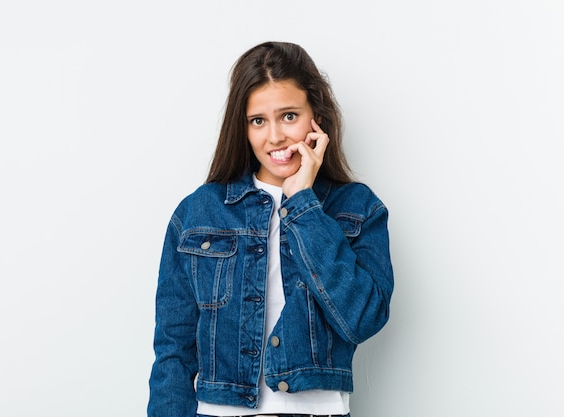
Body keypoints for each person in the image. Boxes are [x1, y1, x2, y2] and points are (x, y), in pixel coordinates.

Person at [148, 41, 394, 417]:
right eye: (258, 121)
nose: (275, 136)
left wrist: (302, 205)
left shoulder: (357, 208)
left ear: (317, 116)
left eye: (289, 116)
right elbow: (174, 352)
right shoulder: (199, 212)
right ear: (243, 128)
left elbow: (362, 318)